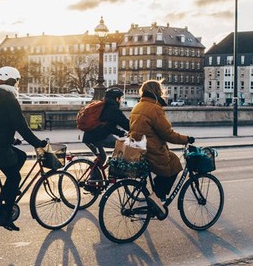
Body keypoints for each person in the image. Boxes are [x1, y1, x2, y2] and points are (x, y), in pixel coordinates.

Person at [0, 66, 48, 231]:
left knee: (20, 157)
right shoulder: (9, 98)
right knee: (14, 178)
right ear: (14, 81)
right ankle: (5, 215)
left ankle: (6, 195)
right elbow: (21, 125)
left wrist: (10, 139)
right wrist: (37, 143)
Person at [128, 80, 195, 219]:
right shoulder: (154, 108)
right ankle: (158, 198)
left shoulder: (138, 106)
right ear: (157, 92)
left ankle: (156, 196)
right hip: (151, 150)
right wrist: (186, 139)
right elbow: (167, 134)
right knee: (174, 163)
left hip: (137, 148)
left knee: (167, 163)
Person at [81, 87, 130, 189]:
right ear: (116, 98)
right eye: (120, 98)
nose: (120, 101)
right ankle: (104, 177)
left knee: (102, 157)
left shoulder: (103, 105)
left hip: (90, 136)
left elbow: (109, 127)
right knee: (121, 147)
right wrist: (132, 130)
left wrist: (121, 133)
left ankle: (95, 182)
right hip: (97, 137)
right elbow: (125, 123)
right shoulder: (113, 109)